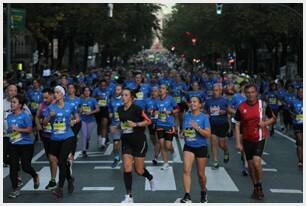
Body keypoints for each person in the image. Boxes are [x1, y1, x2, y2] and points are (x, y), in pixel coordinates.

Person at [235, 84, 276, 200]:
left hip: (260, 137)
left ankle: (260, 185)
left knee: (257, 162)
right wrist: (238, 142)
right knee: (251, 166)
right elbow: (237, 124)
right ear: (245, 94)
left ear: (256, 93)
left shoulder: (263, 105)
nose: (250, 95)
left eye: (252, 92)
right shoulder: (241, 107)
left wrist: (265, 124)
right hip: (247, 139)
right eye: (248, 93)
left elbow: (273, 118)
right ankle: (255, 187)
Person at [118, 88, 155, 203]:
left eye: (125, 95)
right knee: (127, 167)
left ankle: (150, 178)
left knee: (139, 170)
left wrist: (136, 124)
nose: (123, 97)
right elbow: (123, 124)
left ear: (131, 97)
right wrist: (118, 127)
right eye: (122, 95)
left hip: (139, 141)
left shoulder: (137, 109)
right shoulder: (119, 109)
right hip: (126, 141)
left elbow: (149, 121)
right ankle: (129, 196)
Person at [43, 85, 80, 197]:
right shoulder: (51, 107)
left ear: (63, 94)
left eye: (58, 92)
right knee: (59, 161)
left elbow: (78, 117)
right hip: (55, 138)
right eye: (55, 92)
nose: (56, 94)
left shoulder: (70, 106)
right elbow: (44, 123)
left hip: (68, 137)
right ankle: (70, 178)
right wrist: (49, 116)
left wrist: (74, 121)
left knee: (63, 159)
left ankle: (60, 188)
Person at [176, 96, 211, 203]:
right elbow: (184, 131)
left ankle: (203, 191)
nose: (192, 103)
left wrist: (197, 128)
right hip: (189, 146)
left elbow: (208, 134)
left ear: (200, 104)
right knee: (186, 170)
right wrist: (182, 134)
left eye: (195, 102)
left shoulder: (204, 117)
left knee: (201, 174)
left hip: (201, 147)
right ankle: (187, 195)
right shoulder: (187, 116)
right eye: (191, 102)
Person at [7, 95, 40, 198]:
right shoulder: (9, 116)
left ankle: (35, 175)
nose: (12, 104)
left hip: (26, 145)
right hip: (14, 145)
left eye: (14, 102)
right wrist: (10, 131)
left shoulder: (25, 115)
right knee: (13, 167)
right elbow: (10, 130)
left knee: (26, 167)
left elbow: (30, 130)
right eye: (12, 102)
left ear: (20, 105)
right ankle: (15, 189)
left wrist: (18, 129)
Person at [35, 88, 58, 189]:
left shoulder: (58, 104)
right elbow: (37, 116)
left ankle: (67, 177)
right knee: (51, 158)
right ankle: (53, 180)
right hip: (46, 136)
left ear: (52, 95)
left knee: (56, 159)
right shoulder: (42, 105)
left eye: (46, 97)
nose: (44, 100)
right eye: (43, 97)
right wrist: (38, 125)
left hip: (57, 136)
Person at [204, 83, 231, 169]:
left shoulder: (225, 100)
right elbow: (205, 110)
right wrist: (207, 114)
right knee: (213, 143)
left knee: (221, 144)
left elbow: (229, 110)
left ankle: (226, 151)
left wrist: (225, 112)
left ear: (220, 91)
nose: (215, 92)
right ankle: (215, 160)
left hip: (223, 123)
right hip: (212, 124)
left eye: (216, 90)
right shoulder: (208, 100)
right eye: (214, 90)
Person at [155, 84, 180, 170]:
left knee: (168, 145)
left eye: (163, 88)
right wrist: (154, 112)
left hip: (169, 124)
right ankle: (166, 163)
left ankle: (173, 151)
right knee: (162, 144)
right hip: (160, 124)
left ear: (166, 90)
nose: (161, 89)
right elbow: (154, 110)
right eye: (160, 88)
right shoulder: (157, 100)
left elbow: (178, 108)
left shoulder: (170, 99)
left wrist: (170, 112)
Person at [80, 87, 100, 157]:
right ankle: (84, 150)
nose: (87, 92)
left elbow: (98, 109)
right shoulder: (80, 100)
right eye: (85, 91)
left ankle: (87, 141)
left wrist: (91, 112)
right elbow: (77, 111)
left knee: (88, 135)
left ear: (90, 92)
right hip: (83, 119)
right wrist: (81, 109)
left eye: (88, 91)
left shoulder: (93, 100)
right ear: (83, 92)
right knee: (84, 135)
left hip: (91, 120)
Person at [108, 84, 124, 167]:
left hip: (125, 125)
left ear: (122, 90)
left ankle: (128, 158)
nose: (117, 91)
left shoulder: (125, 99)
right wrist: (110, 113)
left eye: (119, 89)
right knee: (116, 143)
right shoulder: (111, 100)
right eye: (116, 89)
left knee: (126, 143)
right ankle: (117, 158)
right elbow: (110, 109)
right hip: (115, 124)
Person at [93, 80, 111, 149]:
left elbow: (112, 97)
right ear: (99, 85)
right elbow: (93, 98)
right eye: (101, 85)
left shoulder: (109, 90)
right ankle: (100, 140)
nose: (103, 87)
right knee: (99, 125)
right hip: (98, 109)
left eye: (104, 85)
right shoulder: (96, 90)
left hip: (105, 109)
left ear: (106, 85)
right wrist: (98, 98)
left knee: (104, 125)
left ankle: (103, 142)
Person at [145, 86, 160, 165]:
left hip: (159, 122)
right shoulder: (147, 100)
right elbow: (144, 112)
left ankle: (155, 157)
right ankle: (158, 149)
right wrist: (147, 112)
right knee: (152, 139)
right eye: (152, 91)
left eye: (155, 91)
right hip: (150, 122)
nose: (154, 92)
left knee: (157, 140)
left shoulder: (161, 100)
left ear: (158, 92)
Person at [289, 87, 303, 167]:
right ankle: (300, 161)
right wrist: (293, 114)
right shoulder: (294, 101)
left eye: (303, 92)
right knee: (300, 141)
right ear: (297, 93)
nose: (301, 93)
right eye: (300, 92)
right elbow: (290, 110)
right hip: (297, 124)